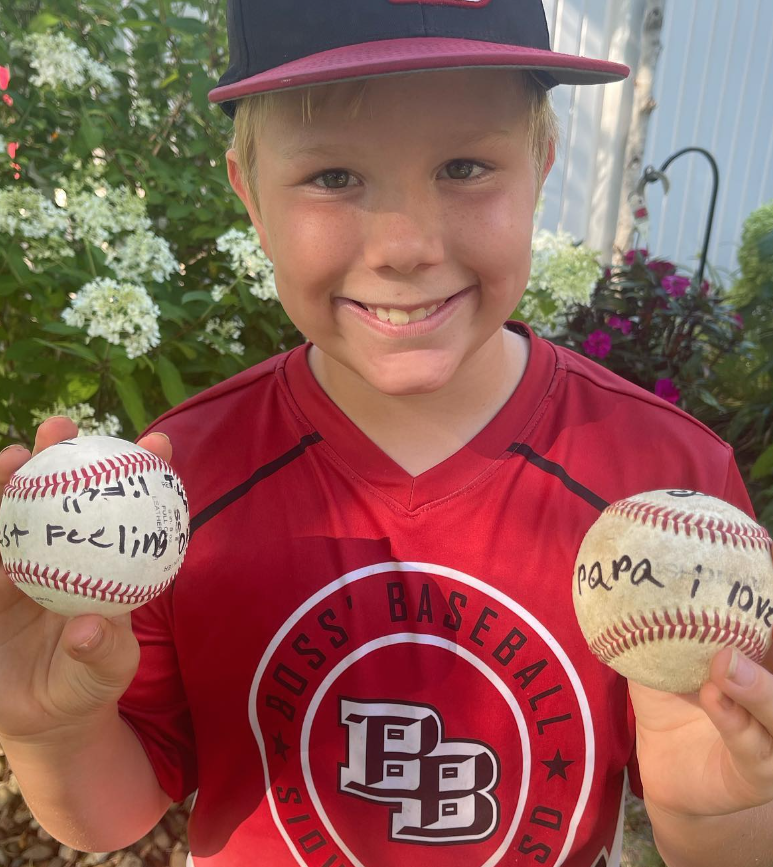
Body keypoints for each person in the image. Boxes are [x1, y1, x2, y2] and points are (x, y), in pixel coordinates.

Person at [0, 1, 772, 865]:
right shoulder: (179, 482)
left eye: (465, 165)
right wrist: (49, 730)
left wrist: (724, 821)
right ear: (249, 195)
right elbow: (112, 813)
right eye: (333, 177)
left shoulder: (662, 474)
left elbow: (717, 817)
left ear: (543, 164)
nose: (406, 245)